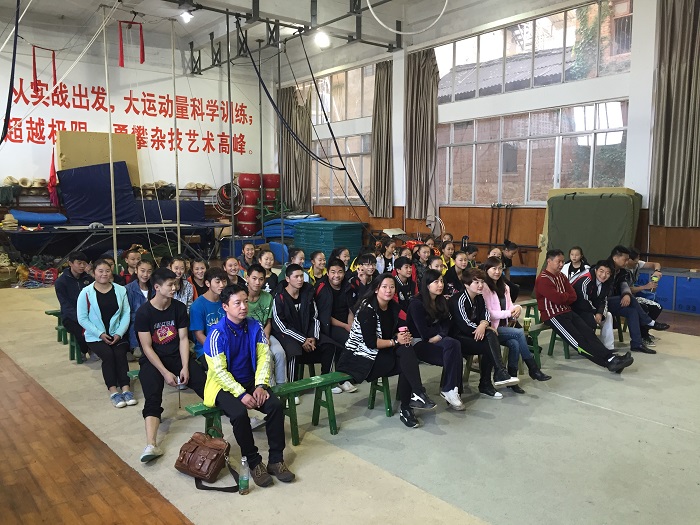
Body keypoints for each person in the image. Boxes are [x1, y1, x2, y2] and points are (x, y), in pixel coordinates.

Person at [202, 284, 295, 486]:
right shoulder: (216, 334)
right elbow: (219, 372)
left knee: (275, 406)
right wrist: (242, 394)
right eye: (237, 303)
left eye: (245, 301)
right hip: (223, 386)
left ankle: (276, 460)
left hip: (251, 381)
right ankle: (253, 462)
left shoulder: (255, 326)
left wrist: (261, 385)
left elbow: (264, 357)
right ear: (225, 307)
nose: (243, 307)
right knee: (238, 414)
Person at [338, 274, 436, 429]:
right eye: (384, 287)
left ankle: (413, 399)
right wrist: (396, 341)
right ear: (376, 289)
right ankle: (410, 403)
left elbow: (400, 327)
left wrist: (403, 335)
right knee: (407, 363)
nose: (388, 290)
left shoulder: (392, 306)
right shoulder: (366, 310)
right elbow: (371, 343)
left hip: (381, 352)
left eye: (392, 287)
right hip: (361, 358)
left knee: (407, 353)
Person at [134, 268, 207, 462]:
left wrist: (185, 366)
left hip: (177, 356)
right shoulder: (143, 313)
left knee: (204, 383)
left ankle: (236, 414)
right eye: (170, 285)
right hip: (153, 360)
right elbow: (147, 347)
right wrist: (165, 372)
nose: (174, 288)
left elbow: (183, 339)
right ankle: (151, 444)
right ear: (157, 287)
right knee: (152, 396)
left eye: (175, 284)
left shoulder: (179, 308)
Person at [535, 249, 634, 373]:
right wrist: (565, 297)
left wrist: (564, 297)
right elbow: (558, 298)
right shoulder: (543, 279)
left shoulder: (561, 276)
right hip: (553, 315)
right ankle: (608, 363)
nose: (561, 264)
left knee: (589, 334)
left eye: (562, 261)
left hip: (567, 311)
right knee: (579, 341)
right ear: (549, 261)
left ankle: (612, 358)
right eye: (558, 262)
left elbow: (573, 296)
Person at [481, 256, 551, 394]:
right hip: (491, 329)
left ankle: (512, 379)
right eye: (494, 268)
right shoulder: (484, 287)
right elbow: (489, 313)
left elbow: (510, 306)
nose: (497, 271)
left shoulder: (505, 287)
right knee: (519, 333)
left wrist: (517, 308)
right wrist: (509, 313)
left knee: (515, 344)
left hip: (504, 328)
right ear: (486, 269)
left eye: (500, 268)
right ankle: (533, 368)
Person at [448, 268, 519, 399]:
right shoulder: (459, 299)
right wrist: (483, 327)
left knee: (490, 341)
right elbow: (464, 325)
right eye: (476, 282)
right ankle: (494, 377)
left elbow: (486, 314)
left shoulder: (479, 297)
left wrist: (484, 324)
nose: (480, 285)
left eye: (482, 282)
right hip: (459, 338)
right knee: (490, 339)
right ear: (466, 284)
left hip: (474, 335)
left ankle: (492, 379)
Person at [77, 259, 135, 408]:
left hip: (117, 334)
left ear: (111, 272)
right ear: (93, 273)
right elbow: (82, 318)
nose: (104, 274)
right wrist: (100, 334)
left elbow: (126, 314)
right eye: (100, 271)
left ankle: (126, 389)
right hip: (95, 336)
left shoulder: (121, 290)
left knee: (120, 354)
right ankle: (114, 392)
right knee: (108, 356)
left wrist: (119, 333)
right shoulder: (86, 293)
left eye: (107, 271)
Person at [406, 269, 466, 411]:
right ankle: (451, 390)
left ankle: (451, 390)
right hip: (418, 343)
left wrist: (440, 335)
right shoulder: (416, 303)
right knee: (454, 348)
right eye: (436, 282)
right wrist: (440, 334)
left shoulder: (441, 300)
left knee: (454, 347)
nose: (440, 285)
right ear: (427, 285)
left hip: (437, 340)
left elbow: (447, 324)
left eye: (441, 281)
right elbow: (423, 331)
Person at [271, 264, 337, 383]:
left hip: (308, 333)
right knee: (294, 352)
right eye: (296, 277)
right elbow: (281, 325)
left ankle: (325, 382)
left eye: (301, 276)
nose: (300, 279)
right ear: (287, 279)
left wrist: (313, 337)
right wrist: (302, 340)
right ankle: (293, 387)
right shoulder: (279, 297)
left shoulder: (307, 293)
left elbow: (315, 317)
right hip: (288, 336)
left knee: (329, 346)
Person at [607, 245, 669, 354]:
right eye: (625, 259)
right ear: (615, 258)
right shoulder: (605, 268)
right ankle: (648, 322)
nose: (626, 262)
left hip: (618, 300)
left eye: (628, 259)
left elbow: (624, 285)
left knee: (632, 311)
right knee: (637, 302)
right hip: (603, 301)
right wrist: (632, 292)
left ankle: (637, 344)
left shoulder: (621, 271)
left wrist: (626, 294)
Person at [246, 264, 287, 388]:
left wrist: (265, 337)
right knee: (267, 355)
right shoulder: (242, 297)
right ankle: (270, 389)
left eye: (261, 279)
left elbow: (268, 321)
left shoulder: (268, 297)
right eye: (254, 278)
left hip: (265, 333)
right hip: (248, 337)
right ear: (247, 278)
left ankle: (282, 387)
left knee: (280, 353)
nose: (257, 282)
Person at [55, 251, 94, 362]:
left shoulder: (89, 279)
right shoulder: (61, 282)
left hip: (89, 314)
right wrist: (80, 318)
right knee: (81, 333)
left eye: (84, 263)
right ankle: (84, 350)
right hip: (71, 317)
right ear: (70, 263)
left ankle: (95, 349)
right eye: (79, 263)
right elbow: (65, 304)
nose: (82, 266)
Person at [571, 260, 615, 350]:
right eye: (601, 271)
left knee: (608, 315)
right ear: (596, 270)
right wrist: (595, 313)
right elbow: (583, 301)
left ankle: (608, 348)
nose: (603, 275)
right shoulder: (585, 280)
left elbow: (604, 300)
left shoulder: (607, 283)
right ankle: (590, 348)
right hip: (576, 309)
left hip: (590, 309)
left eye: (607, 273)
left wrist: (600, 313)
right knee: (591, 320)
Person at [626, 247, 665, 347]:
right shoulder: (623, 270)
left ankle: (644, 332)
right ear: (628, 259)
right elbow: (625, 289)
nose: (637, 262)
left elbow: (655, 264)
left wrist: (657, 271)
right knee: (646, 308)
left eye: (638, 259)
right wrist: (645, 287)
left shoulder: (636, 264)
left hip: (634, 295)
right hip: (625, 296)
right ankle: (642, 335)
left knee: (657, 305)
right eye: (635, 261)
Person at [189, 267, 227, 364]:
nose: (222, 285)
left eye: (224, 281)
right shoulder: (197, 306)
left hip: (227, 345)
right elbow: (199, 335)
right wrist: (217, 350)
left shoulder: (226, 300)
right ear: (207, 283)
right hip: (206, 349)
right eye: (217, 282)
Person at [315, 258, 353, 348]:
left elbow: (351, 309)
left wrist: (350, 325)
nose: (336, 275)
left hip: (347, 323)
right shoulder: (322, 288)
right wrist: (345, 326)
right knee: (349, 340)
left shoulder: (348, 286)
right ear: (327, 273)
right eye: (333, 272)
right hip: (329, 325)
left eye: (340, 272)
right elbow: (325, 315)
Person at [126, 259, 154, 359]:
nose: (145, 274)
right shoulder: (128, 289)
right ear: (136, 270)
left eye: (149, 271)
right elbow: (127, 313)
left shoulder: (155, 288)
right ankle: (135, 346)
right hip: (136, 324)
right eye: (142, 271)